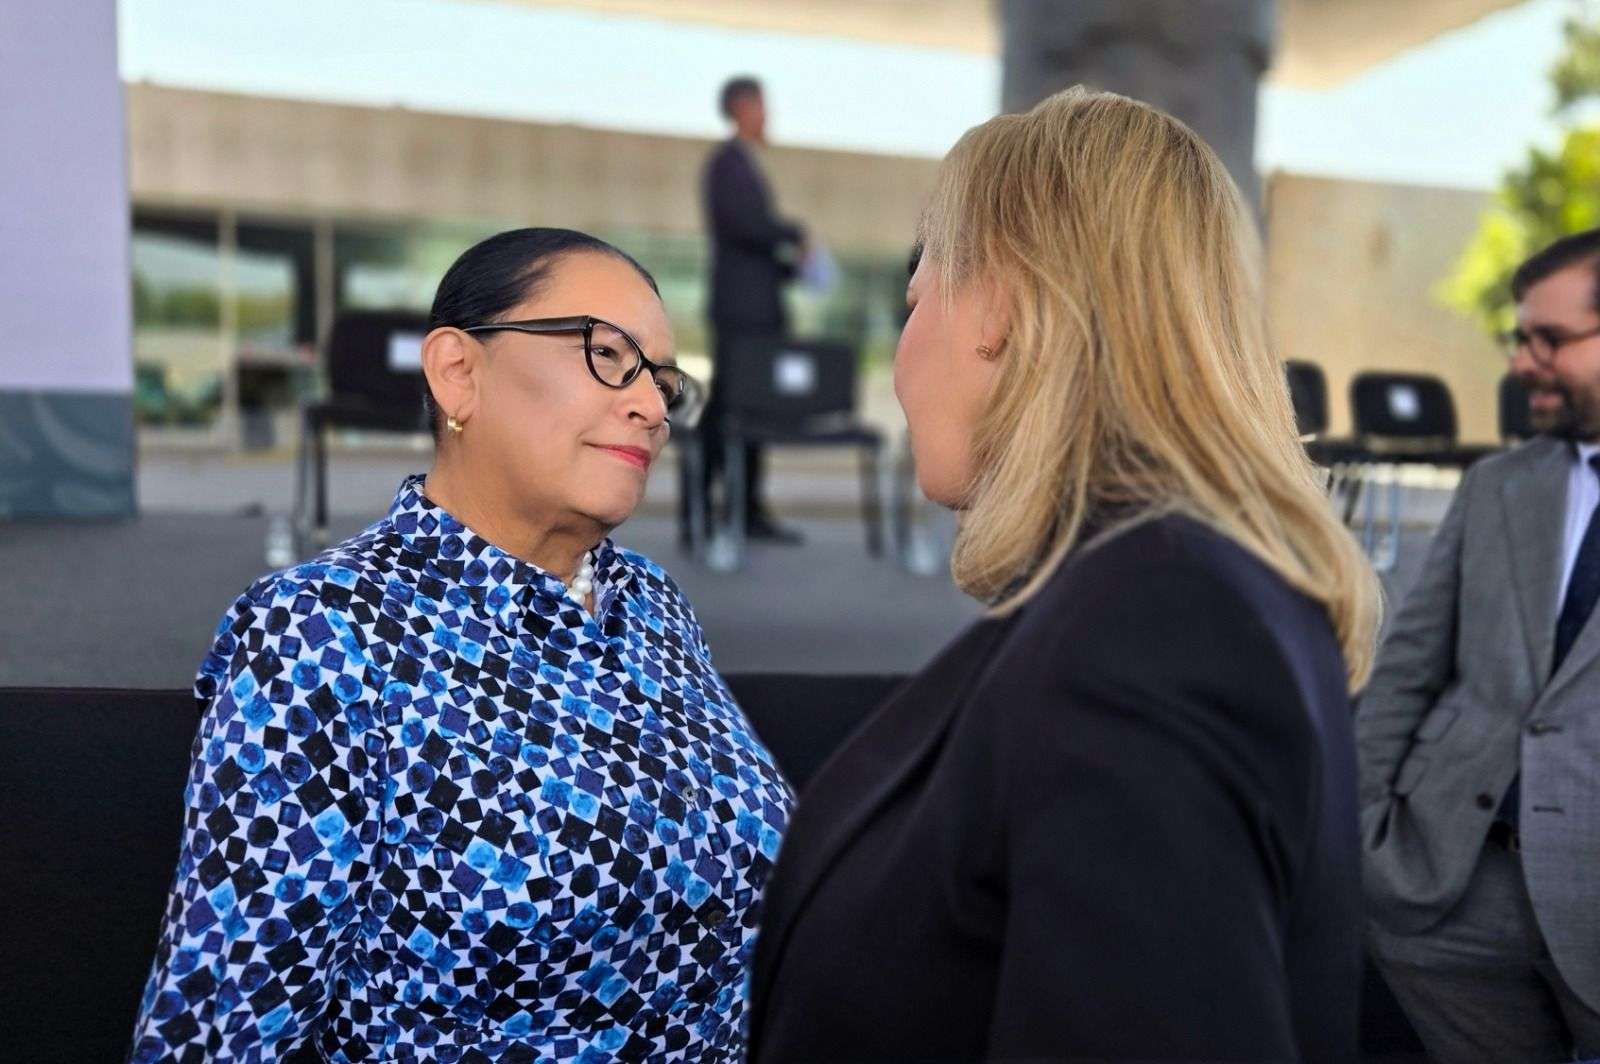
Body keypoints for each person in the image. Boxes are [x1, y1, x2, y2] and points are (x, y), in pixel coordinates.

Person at [746, 87, 1382, 1062]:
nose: (903, 356)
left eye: (915, 296)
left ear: (999, 302)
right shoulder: (1182, 588)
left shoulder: (1153, 627)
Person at [129, 228, 795, 1062]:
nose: (653, 408)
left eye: (664, 380)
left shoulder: (653, 604)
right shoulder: (324, 633)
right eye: (608, 355)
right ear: (457, 372)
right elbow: (217, 1032)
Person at [1359, 228, 1600, 1061]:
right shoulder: (1499, 485)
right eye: (1519, 337)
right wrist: (1362, 835)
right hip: (1445, 900)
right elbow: (1406, 670)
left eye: (1550, 339)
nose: (1523, 362)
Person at [696, 75, 806, 545]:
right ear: (741, 108)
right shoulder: (727, 164)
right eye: (762, 105)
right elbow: (745, 227)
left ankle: (743, 506)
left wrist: (788, 267)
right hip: (742, 313)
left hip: (755, 306)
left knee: (749, 408)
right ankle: (713, 502)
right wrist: (791, 233)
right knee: (732, 409)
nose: (768, 115)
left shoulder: (741, 164)